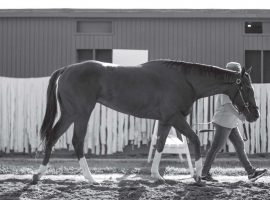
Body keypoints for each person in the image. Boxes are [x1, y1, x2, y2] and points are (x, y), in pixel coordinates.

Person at [201, 62, 267, 182]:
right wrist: (239, 116)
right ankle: (204, 174)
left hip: (230, 122)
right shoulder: (225, 87)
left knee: (240, 145)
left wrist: (239, 115)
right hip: (223, 122)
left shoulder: (233, 87)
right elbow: (227, 106)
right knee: (216, 147)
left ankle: (251, 172)